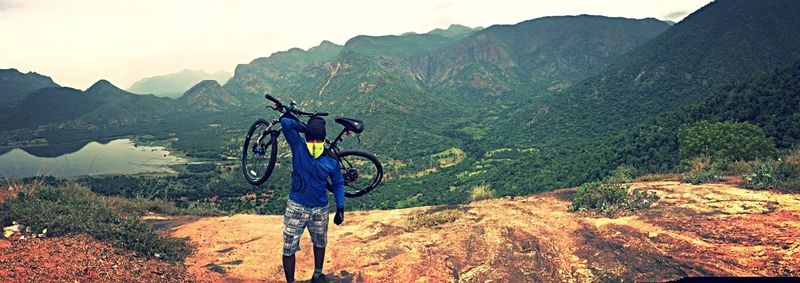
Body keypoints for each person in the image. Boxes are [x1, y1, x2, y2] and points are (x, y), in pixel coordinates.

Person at [280, 113, 345, 283]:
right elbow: (285, 123)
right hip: (296, 206)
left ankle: (317, 274)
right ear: (307, 138)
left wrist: (340, 208)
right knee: (288, 247)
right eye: (311, 139)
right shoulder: (298, 146)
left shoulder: (331, 160)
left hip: (320, 208)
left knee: (320, 242)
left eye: (318, 139)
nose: (315, 144)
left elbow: (338, 183)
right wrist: (306, 129)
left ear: (323, 139)